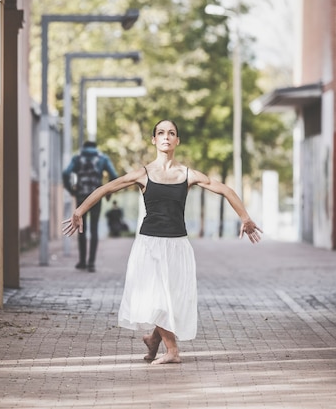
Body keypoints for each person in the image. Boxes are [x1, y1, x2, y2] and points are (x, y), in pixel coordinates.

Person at [62, 119, 262, 365]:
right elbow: (106, 188)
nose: (166, 137)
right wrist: (79, 211)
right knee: (158, 298)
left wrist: (245, 217)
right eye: (161, 133)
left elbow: (226, 190)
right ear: (153, 140)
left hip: (178, 245)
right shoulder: (143, 174)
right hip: (149, 245)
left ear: (177, 140)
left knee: (173, 300)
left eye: (171, 133)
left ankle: (154, 339)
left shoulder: (188, 174)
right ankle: (173, 351)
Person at [62, 140, 118, 272]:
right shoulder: (102, 158)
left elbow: (66, 173)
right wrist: (108, 192)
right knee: (94, 229)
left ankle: (82, 261)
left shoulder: (77, 158)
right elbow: (114, 175)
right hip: (96, 197)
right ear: (95, 147)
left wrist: (72, 190)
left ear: (84, 147)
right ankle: (91, 263)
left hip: (81, 197)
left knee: (81, 228)